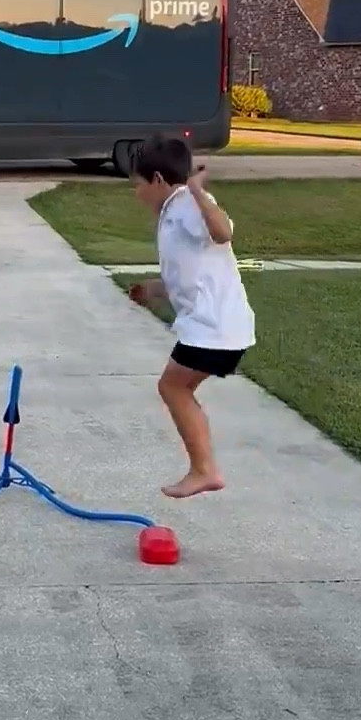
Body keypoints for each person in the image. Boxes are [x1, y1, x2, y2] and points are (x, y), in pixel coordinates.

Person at [129, 135, 254, 499]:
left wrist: (198, 191)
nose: (137, 194)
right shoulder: (173, 213)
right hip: (212, 328)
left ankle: (205, 470)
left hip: (214, 329)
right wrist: (153, 290)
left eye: (139, 185)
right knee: (177, 388)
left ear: (157, 181)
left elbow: (223, 232)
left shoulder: (186, 204)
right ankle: (204, 468)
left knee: (172, 387)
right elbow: (189, 272)